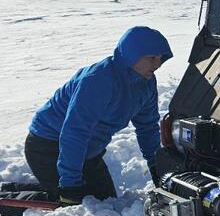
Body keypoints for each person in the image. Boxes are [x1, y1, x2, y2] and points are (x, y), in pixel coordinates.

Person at [25, 26, 172, 205]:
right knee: (68, 207)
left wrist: (156, 166)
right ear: (133, 54)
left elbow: (147, 127)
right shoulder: (98, 80)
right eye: (151, 58)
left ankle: (48, 187)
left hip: (88, 151)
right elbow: (74, 133)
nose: (157, 64)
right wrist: (70, 186)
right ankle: (9, 201)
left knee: (107, 205)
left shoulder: (146, 83)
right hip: (49, 146)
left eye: (160, 58)